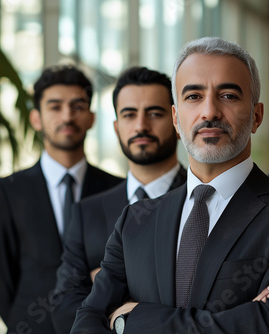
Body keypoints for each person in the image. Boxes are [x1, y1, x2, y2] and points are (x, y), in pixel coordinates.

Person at [70, 37, 269, 334]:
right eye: (193, 96)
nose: (209, 112)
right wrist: (242, 317)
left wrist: (131, 321)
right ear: (175, 118)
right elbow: (87, 320)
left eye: (229, 96)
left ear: (257, 116)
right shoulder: (135, 221)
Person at [0, 65, 123, 334]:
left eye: (77, 106)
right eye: (55, 106)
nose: (67, 116)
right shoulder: (10, 191)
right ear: (36, 118)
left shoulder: (118, 189)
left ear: (91, 118)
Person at [51, 66, 187, 334]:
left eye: (154, 113)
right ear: (116, 127)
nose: (140, 126)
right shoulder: (86, 212)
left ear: (177, 121)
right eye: (129, 114)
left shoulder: (205, 199)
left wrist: (102, 292)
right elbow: (65, 307)